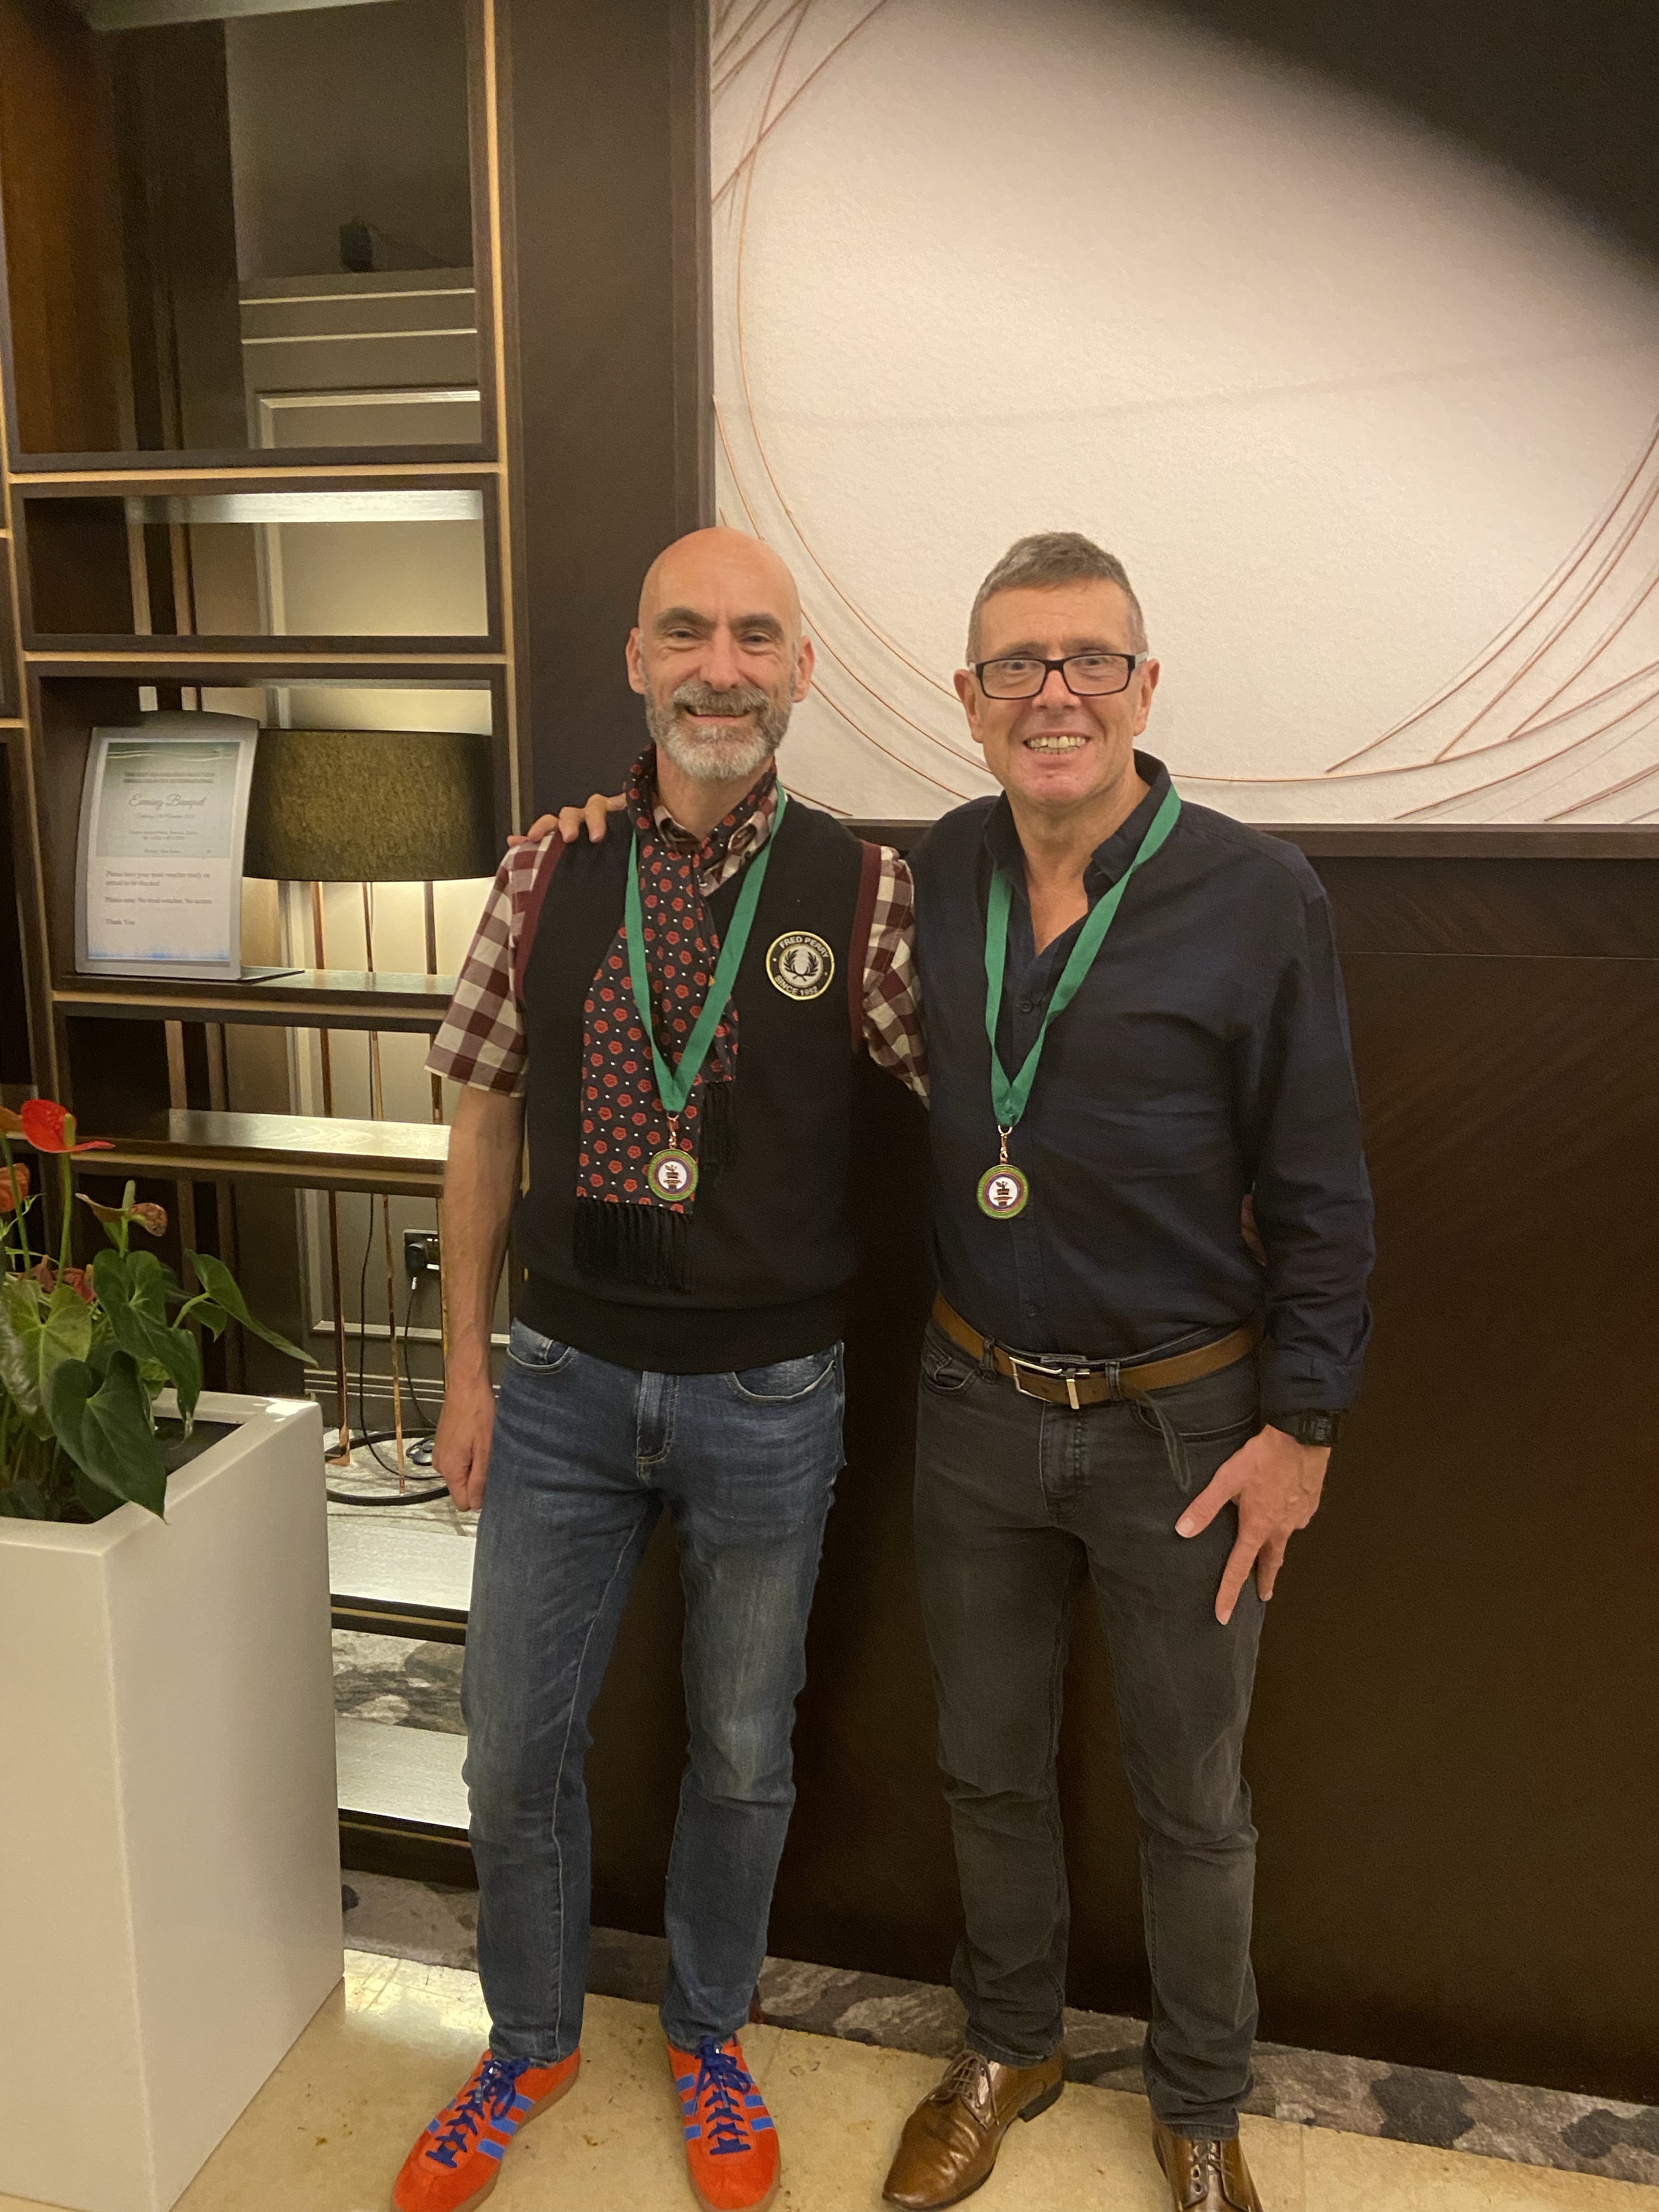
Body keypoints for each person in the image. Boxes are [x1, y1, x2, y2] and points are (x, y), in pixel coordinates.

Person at [391, 526, 923, 2212]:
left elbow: (983, 1099)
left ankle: (707, 2035)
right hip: (555, 1384)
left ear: (800, 671)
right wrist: (465, 1373)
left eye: (756, 636)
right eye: (687, 632)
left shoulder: (868, 890)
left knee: (742, 1751)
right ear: (637, 661)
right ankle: (529, 2040)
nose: (720, 666)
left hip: (772, 1400)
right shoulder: (545, 871)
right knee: (507, 1749)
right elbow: (482, 1119)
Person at [879, 533, 1373, 2212]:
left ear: (1146, 688)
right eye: (1018, 664)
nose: (1056, 694)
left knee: (1195, 1798)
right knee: (986, 1763)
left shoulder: (1257, 892)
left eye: (1091, 660)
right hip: (975, 1402)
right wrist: (600, 815)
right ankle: (1009, 2045)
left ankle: (1202, 2101)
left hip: (1189, 1426)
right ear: (970, 699)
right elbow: (750, 871)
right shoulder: (941, 867)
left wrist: (1304, 1427)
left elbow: (1322, 1191)